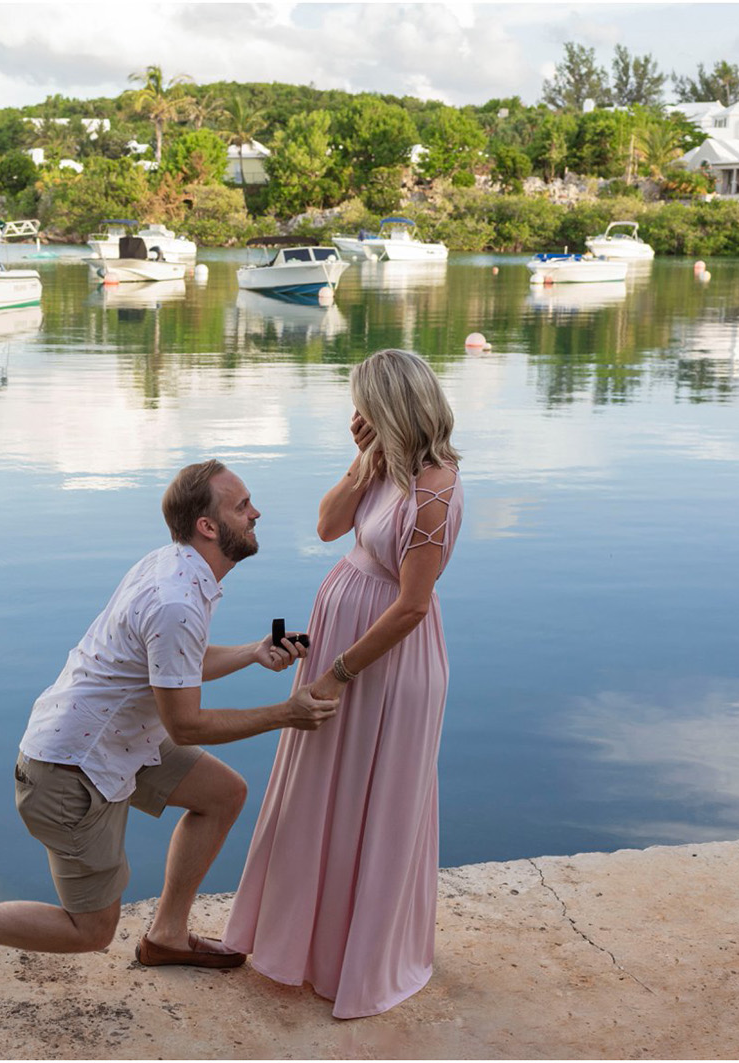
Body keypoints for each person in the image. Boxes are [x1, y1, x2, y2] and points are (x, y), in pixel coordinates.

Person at [0, 460, 335, 1006]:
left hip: (113, 741)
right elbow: (187, 723)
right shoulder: (175, 599)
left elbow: (171, 666)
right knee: (90, 930)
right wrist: (286, 713)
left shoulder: (174, 566)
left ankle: (166, 937)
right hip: (70, 771)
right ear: (208, 527)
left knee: (222, 795)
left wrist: (251, 652)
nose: (256, 512)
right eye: (242, 506)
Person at [223, 348, 464, 1019]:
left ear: (391, 407)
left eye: (364, 405)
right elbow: (328, 525)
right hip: (344, 646)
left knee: (373, 805)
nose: (354, 415)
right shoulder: (385, 465)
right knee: (318, 794)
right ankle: (304, 946)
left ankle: (356, 959)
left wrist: (336, 672)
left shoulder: (436, 490)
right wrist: (363, 461)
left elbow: (413, 606)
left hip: (383, 663)